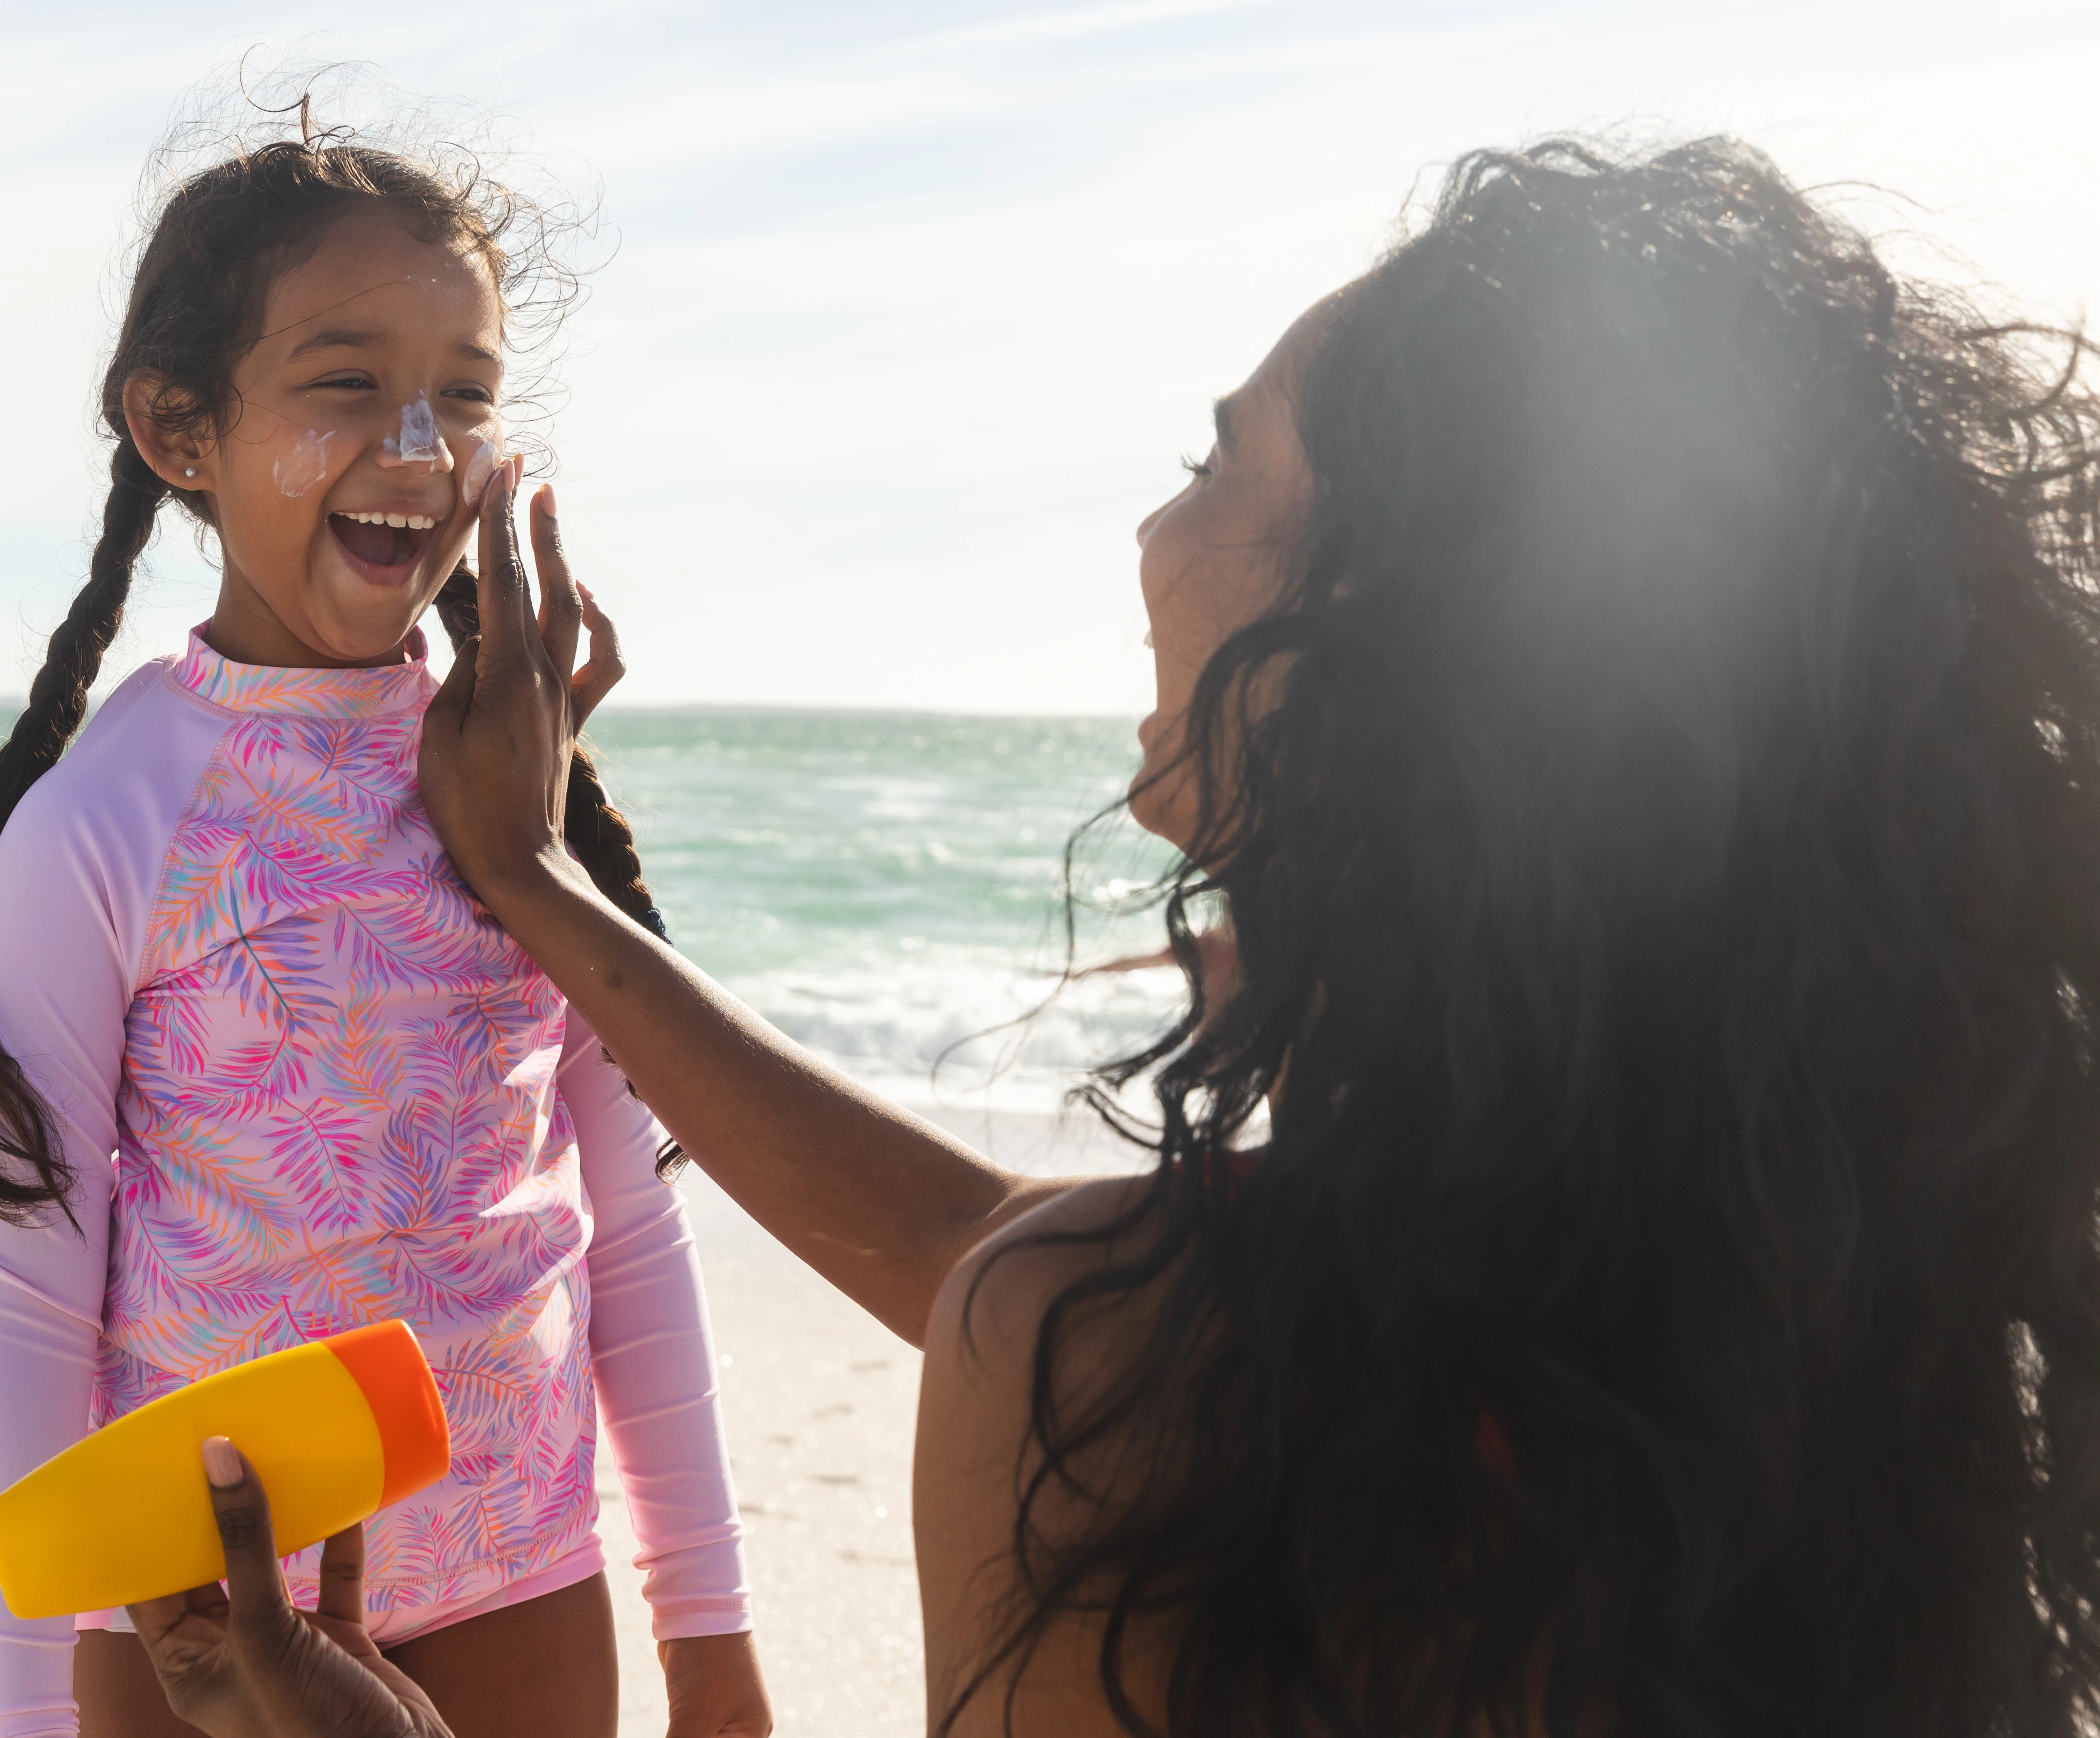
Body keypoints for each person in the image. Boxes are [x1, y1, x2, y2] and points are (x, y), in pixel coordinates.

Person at [129, 138, 2100, 1737]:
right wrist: (546, 899)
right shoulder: (1829, 1307)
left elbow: (1053, 1296)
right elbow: (998, 1253)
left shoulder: (1122, 1384)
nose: (1155, 539)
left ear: (1382, 654)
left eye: (1221, 467)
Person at [0, 123, 772, 1738]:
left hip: (519, 1582)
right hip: (199, 1626)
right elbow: (25, 1304)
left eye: (466, 394)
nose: (418, 445)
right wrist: (20, 1711)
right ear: (180, 430)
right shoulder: (111, 820)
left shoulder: (517, 786)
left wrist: (707, 1626)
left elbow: (626, 1226)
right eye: (345, 383)